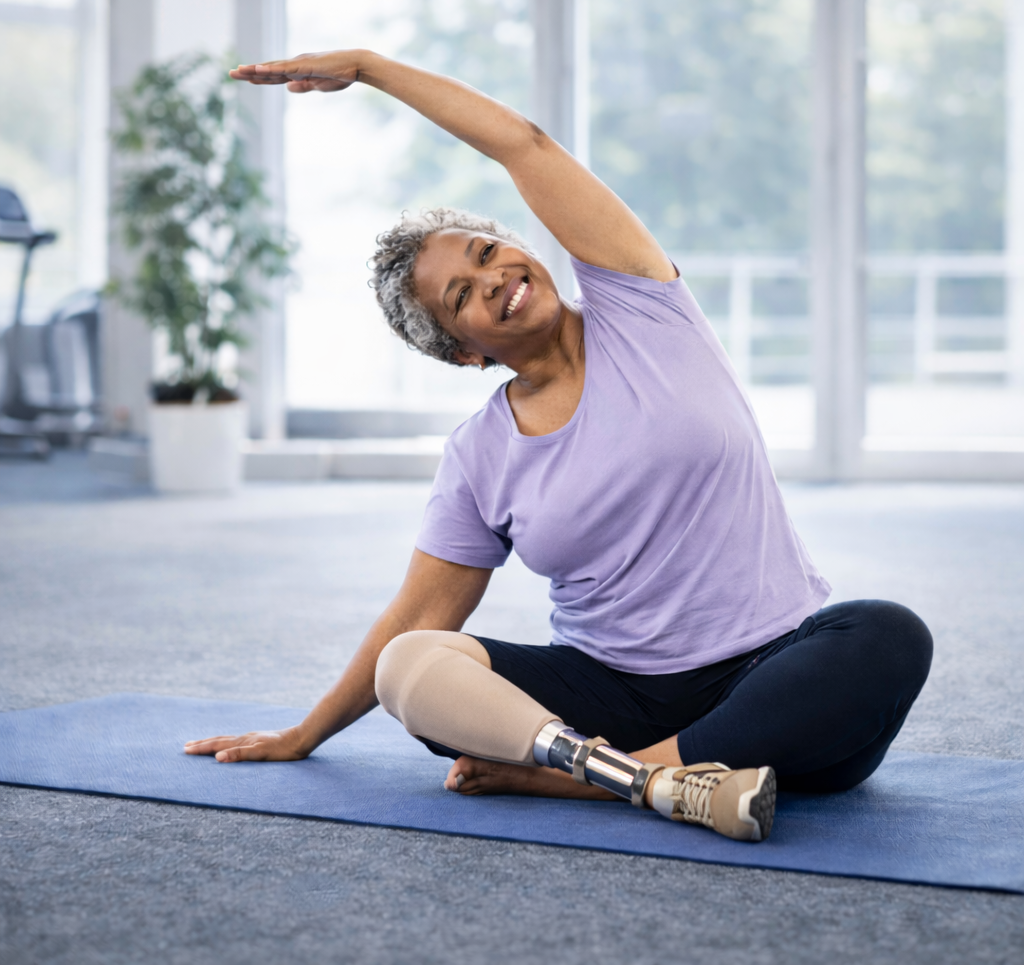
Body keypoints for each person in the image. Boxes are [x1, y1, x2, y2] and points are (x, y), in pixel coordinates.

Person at [185, 48, 933, 842]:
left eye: (485, 252)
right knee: (410, 666)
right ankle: (660, 782)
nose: (495, 279)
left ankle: (601, 781)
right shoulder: (480, 454)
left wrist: (371, 70)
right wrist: (306, 734)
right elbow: (417, 617)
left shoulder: (641, 304)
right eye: (462, 297)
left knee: (885, 635)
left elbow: (524, 146)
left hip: (771, 681)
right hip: (606, 693)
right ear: (462, 351)